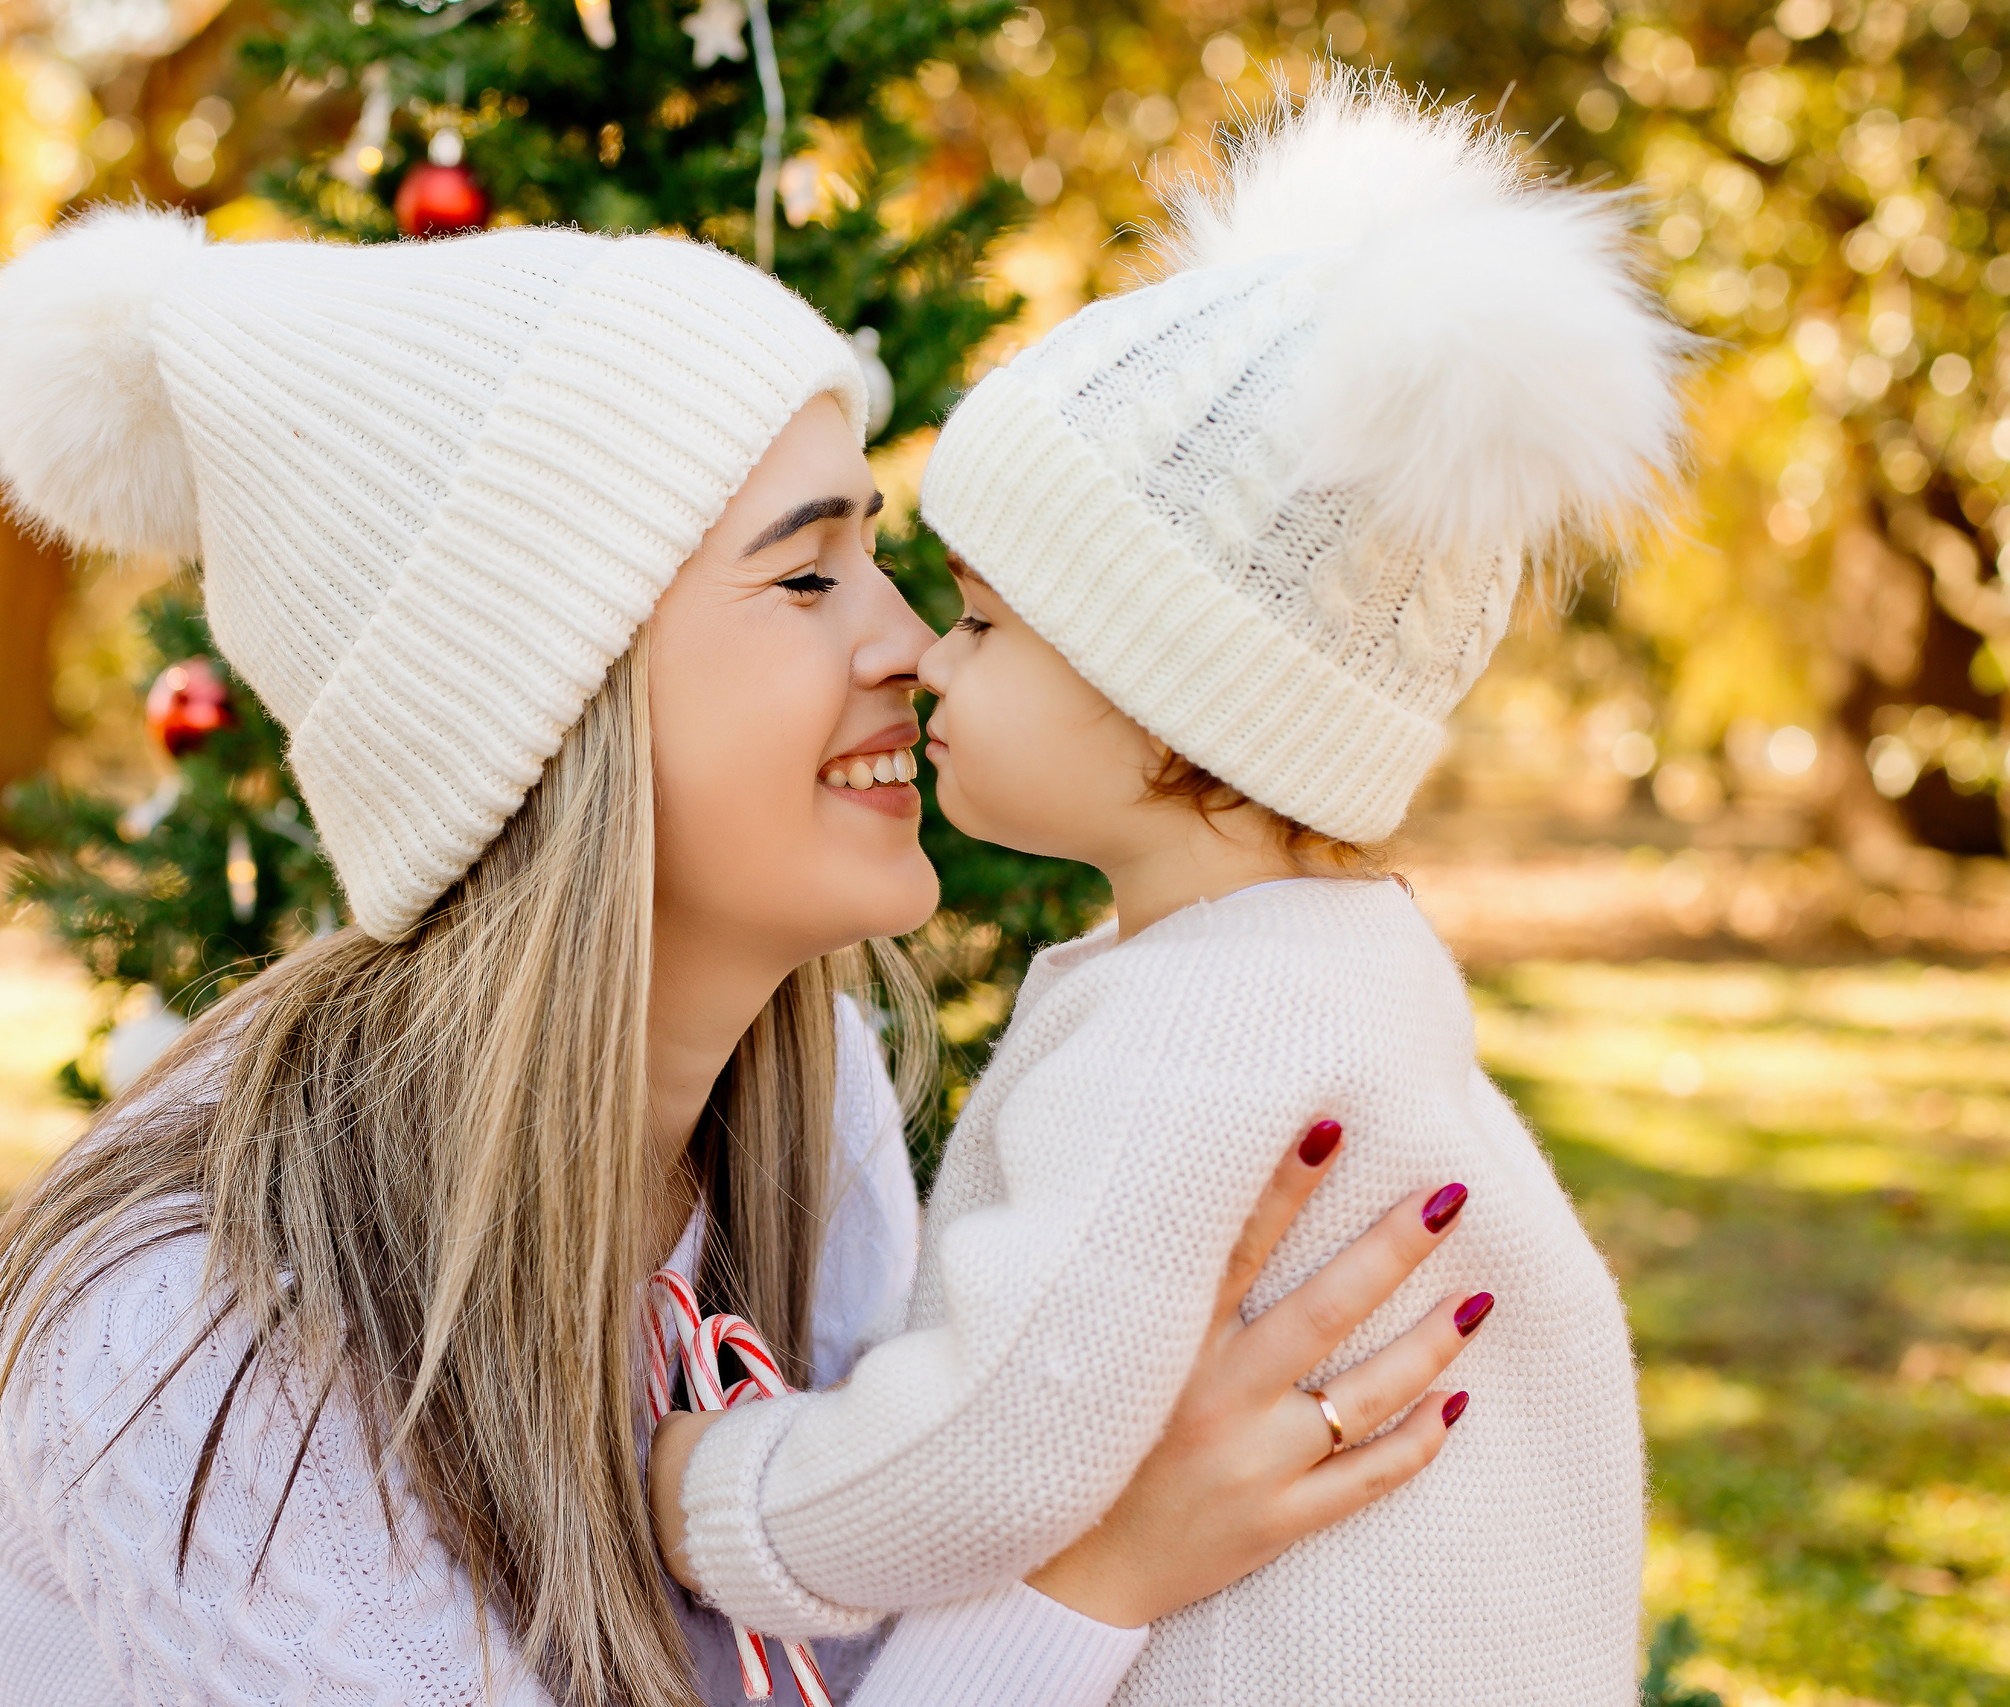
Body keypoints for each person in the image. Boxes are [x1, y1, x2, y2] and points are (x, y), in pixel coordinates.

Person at [0, 204, 1484, 1707]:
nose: (910, 645)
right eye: (807, 578)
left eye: (878, 557)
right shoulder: (199, 1317)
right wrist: (1100, 1573)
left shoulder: (814, 1122)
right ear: (549, 714)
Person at [650, 72, 1690, 1704]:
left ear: (1167, 697)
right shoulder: (1332, 969)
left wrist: (705, 1493)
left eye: (986, 623)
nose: (925, 658)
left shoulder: (1196, 1031)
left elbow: (997, 1441)